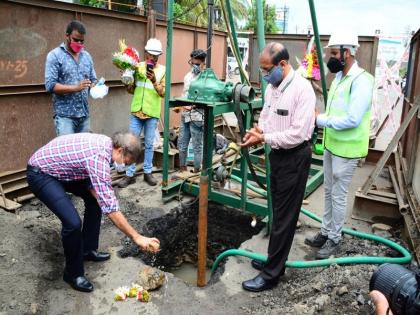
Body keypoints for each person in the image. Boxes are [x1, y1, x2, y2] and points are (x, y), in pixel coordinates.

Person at [26, 132, 160, 293]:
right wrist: (136, 237)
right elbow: (110, 208)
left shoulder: (107, 145)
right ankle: (72, 273)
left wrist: (100, 196)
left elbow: (102, 196)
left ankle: (87, 250)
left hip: (67, 170)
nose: (123, 165)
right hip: (42, 173)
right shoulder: (98, 157)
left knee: (96, 202)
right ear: (119, 150)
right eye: (126, 161)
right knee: (72, 223)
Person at [240, 42, 316, 292]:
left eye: (266, 69)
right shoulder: (273, 87)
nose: (263, 75)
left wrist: (265, 138)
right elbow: (267, 116)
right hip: (278, 155)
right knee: (278, 211)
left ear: (282, 65)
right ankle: (274, 261)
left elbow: (298, 133)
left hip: (295, 157)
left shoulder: (302, 90)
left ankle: (271, 274)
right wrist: (258, 131)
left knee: (285, 218)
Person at [304, 32, 374, 259]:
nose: (330, 58)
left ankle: (335, 238)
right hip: (332, 145)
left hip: (348, 149)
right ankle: (325, 232)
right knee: (328, 192)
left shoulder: (362, 80)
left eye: (334, 53)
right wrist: (321, 116)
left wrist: (319, 119)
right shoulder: (340, 79)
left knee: (338, 195)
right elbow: (336, 112)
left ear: (347, 52)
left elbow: (352, 119)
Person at [119, 38, 166, 187]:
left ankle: (147, 173)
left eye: (155, 55)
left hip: (152, 113)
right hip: (137, 111)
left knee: (150, 144)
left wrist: (154, 81)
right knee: (131, 144)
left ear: (159, 55)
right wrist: (127, 80)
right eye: (150, 54)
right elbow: (131, 90)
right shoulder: (136, 66)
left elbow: (164, 93)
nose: (152, 58)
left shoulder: (163, 70)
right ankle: (129, 174)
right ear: (145, 53)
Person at [45, 20, 97, 136]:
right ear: (67, 36)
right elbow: (50, 85)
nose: (79, 43)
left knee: (85, 153)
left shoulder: (86, 56)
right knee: (67, 153)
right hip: (65, 117)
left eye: (82, 41)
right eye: (75, 39)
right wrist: (76, 87)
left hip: (84, 116)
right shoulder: (54, 56)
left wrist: (95, 86)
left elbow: (93, 79)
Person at [176, 49, 207, 173]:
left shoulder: (205, 78)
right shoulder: (187, 77)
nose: (195, 67)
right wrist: (180, 105)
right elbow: (184, 94)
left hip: (197, 116)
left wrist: (193, 106)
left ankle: (196, 170)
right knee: (182, 143)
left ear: (203, 64)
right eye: (193, 63)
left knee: (197, 145)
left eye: (198, 64)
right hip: (185, 114)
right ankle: (182, 169)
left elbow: (206, 98)